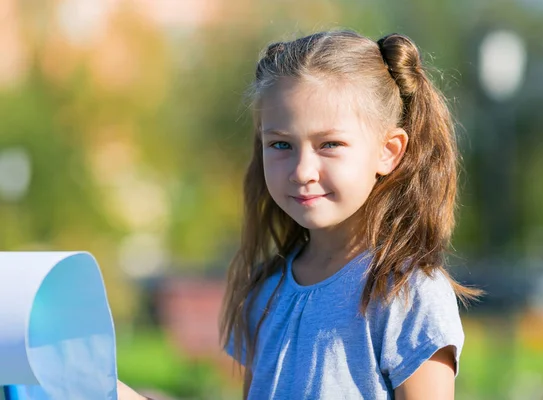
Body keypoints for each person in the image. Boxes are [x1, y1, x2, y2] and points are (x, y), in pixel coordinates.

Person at [119, 29, 480, 400]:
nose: (302, 170)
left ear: (388, 151)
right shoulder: (266, 292)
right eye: (281, 144)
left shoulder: (406, 293)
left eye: (329, 144)